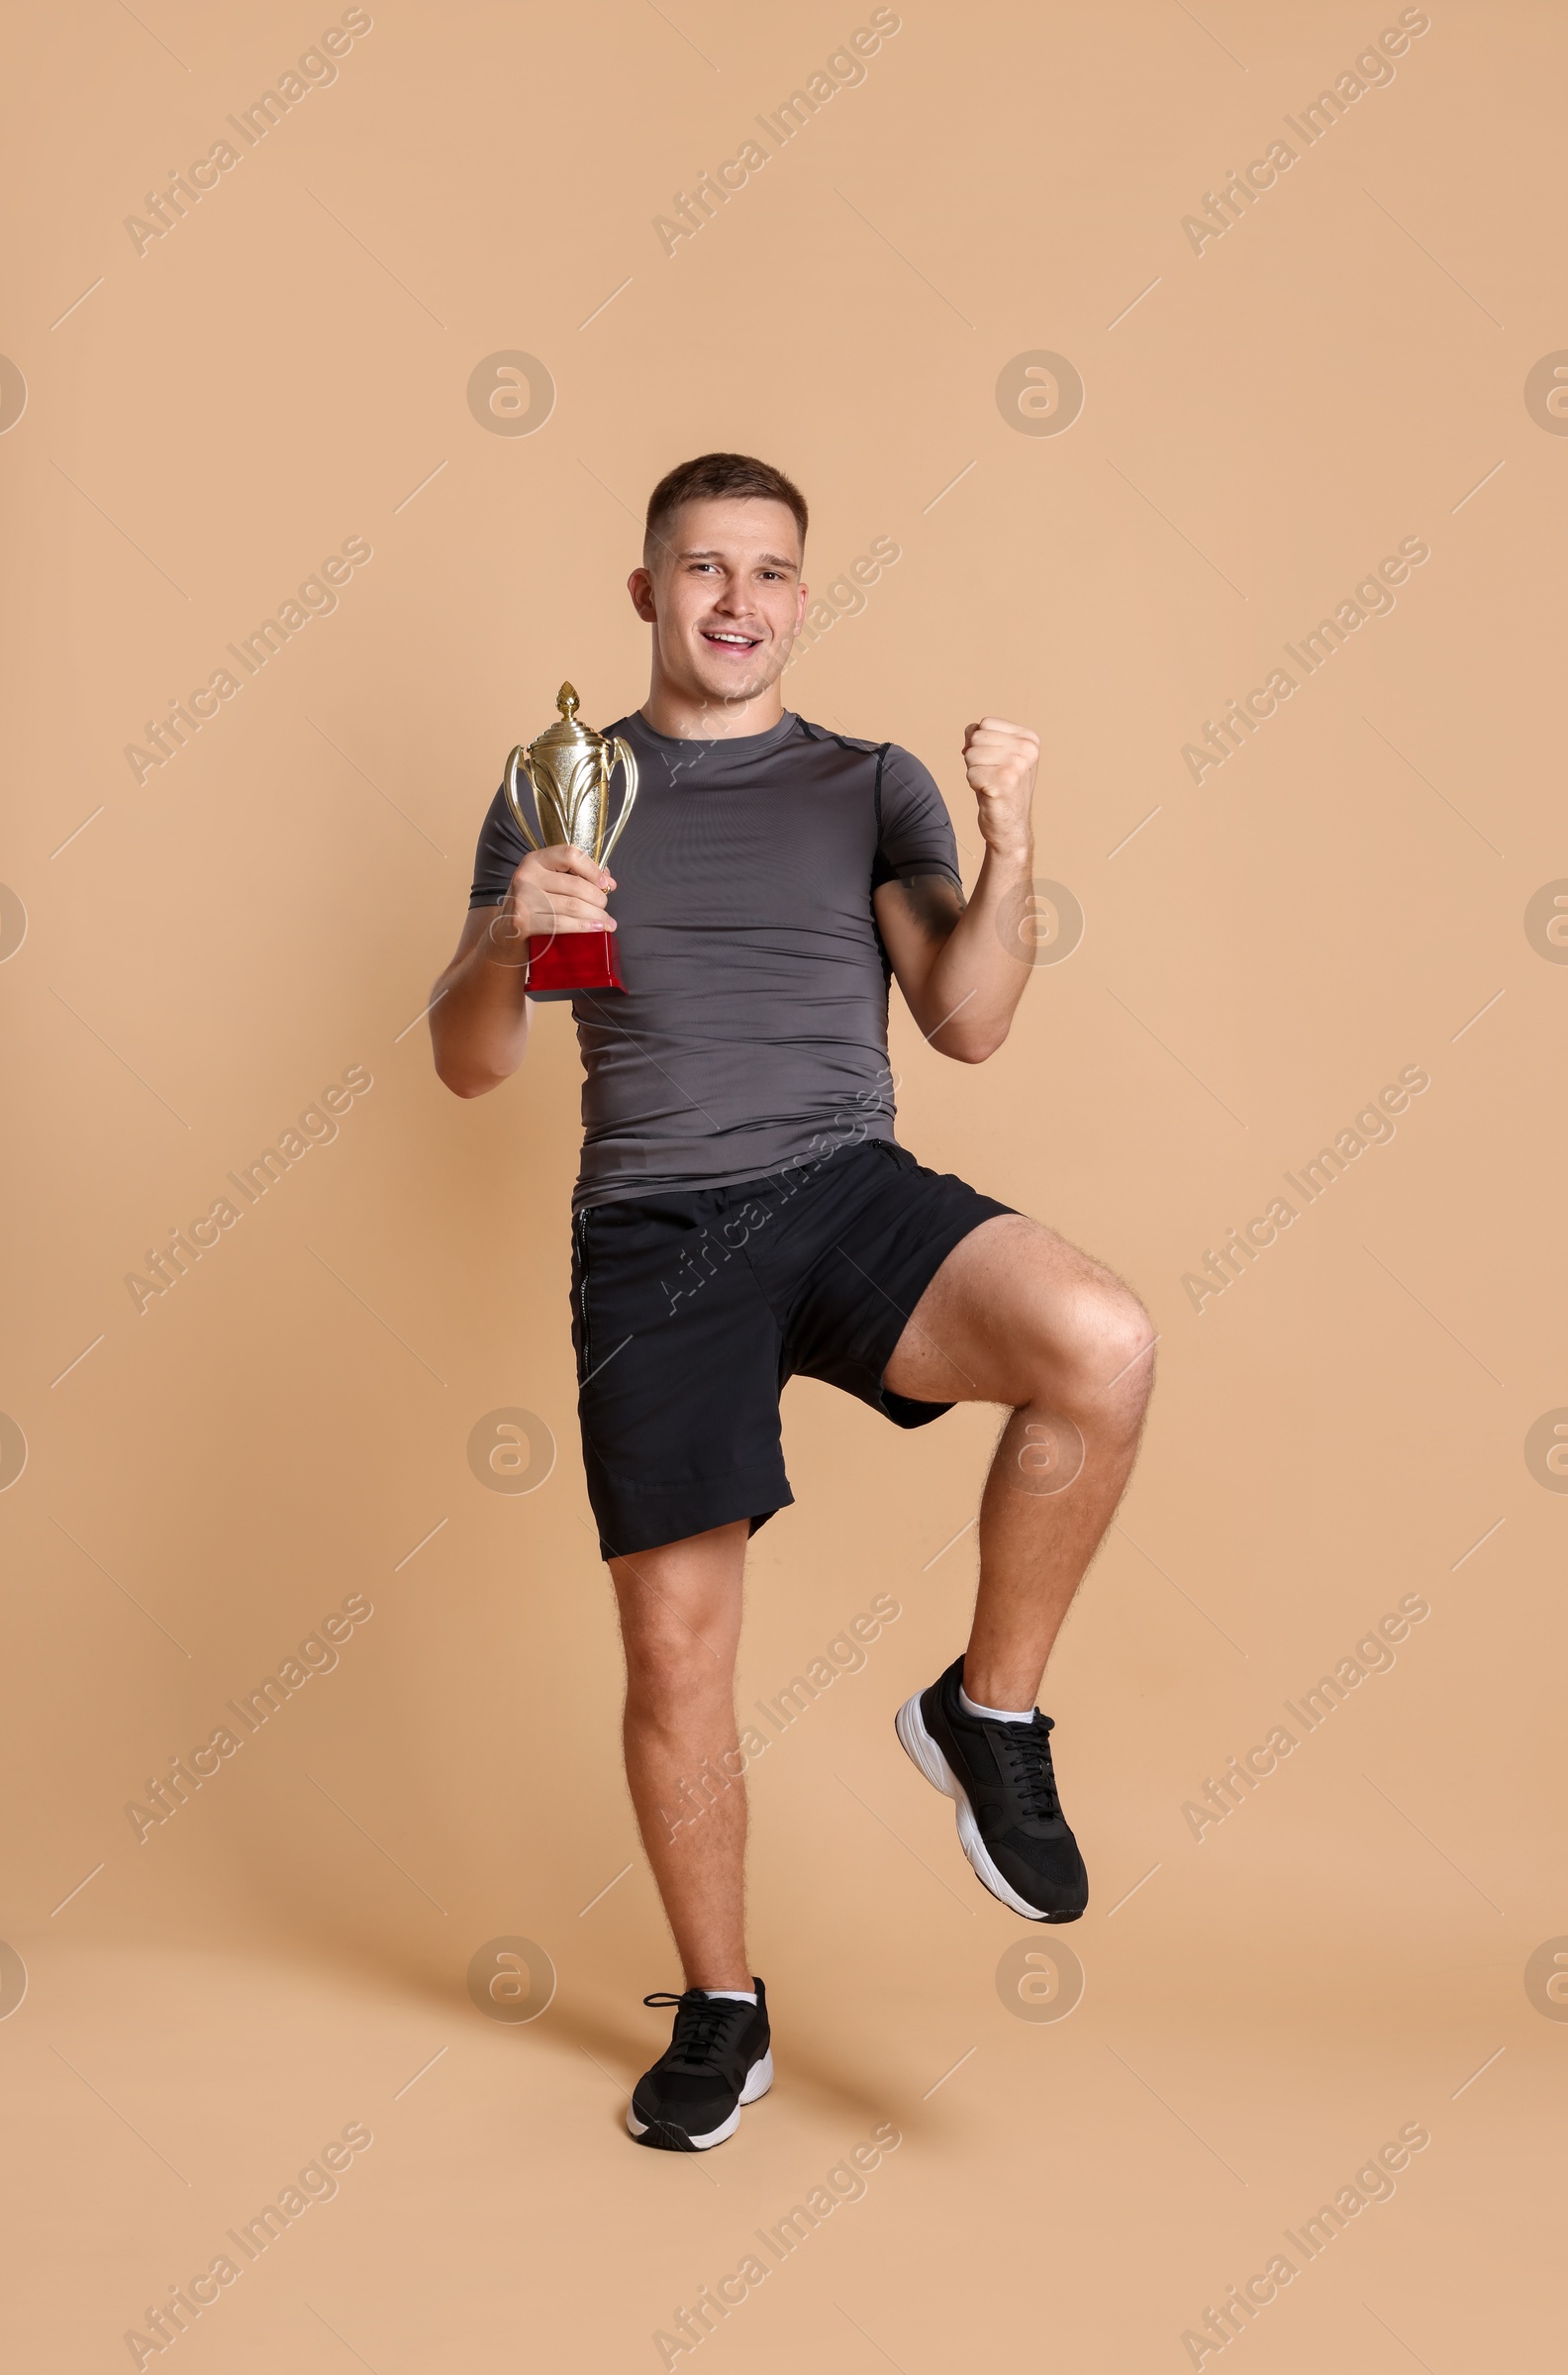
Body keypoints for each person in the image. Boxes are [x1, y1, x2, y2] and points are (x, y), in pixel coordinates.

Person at [430, 452, 1155, 2152]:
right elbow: (472, 1070)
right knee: (679, 1654)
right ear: (647, 594)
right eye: (702, 569)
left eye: (768, 572)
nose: (736, 601)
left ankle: (987, 1713)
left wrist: (1011, 835)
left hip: (842, 1188)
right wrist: (499, 941)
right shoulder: (562, 785)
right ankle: (726, 2009)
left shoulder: (868, 782)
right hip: (654, 1236)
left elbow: (969, 1022)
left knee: (1101, 1343)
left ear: (802, 599)